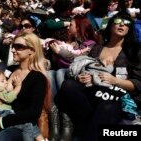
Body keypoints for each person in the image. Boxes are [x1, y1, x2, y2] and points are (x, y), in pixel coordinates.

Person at [55, 12, 141, 141]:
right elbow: (85, 67)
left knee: (107, 106)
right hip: (95, 92)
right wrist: (83, 76)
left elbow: (138, 83)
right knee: (68, 85)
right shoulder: (97, 48)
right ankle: (90, 122)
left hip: (118, 97)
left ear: (129, 28)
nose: (122, 24)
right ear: (111, 25)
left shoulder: (135, 51)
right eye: (118, 21)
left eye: (127, 22)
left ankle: (85, 130)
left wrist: (114, 80)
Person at [0, 70, 46, 141]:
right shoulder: (0, 90)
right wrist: (18, 86)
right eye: (3, 81)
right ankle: (40, 139)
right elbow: (9, 98)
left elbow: (34, 112)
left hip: (7, 115)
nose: (6, 82)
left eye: (6, 80)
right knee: (27, 124)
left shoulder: (37, 77)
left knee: (28, 123)